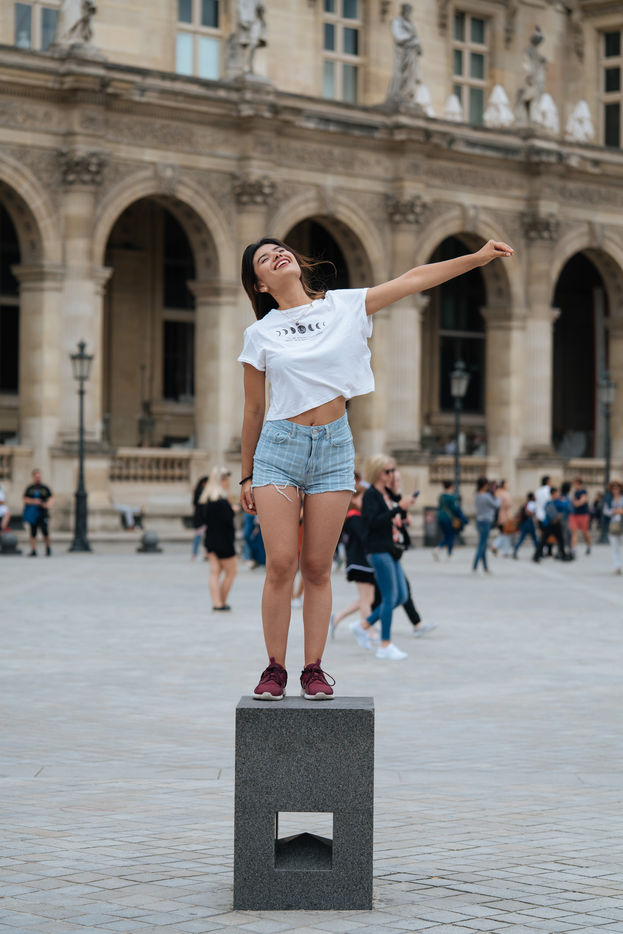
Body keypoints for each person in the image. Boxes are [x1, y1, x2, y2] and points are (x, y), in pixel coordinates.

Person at [238, 234, 513, 699]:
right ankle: (274, 668)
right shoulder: (260, 333)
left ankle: (313, 669)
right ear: (260, 284)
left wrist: (478, 258)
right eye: (264, 259)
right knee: (281, 565)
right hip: (278, 449)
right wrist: (246, 473)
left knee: (318, 567)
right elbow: (252, 410)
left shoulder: (343, 306)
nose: (278, 255)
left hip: (333, 449)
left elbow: (413, 279)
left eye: (280, 249)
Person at [362, 455, 415, 660]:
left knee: (402, 596)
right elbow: (373, 522)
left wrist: (402, 508)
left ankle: (363, 625)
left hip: (391, 549)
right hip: (378, 550)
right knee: (390, 597)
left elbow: (395, 518)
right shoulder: (371, 495)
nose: (391, 475)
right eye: (388, 471)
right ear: (377, 472)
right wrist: (398, 508)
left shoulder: (386, 494)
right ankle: (385, 644)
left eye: (393, 471)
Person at [385, 468, 436, 637]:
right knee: (397, 592)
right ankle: (365, 625)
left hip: (394, 552)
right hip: (382, 552)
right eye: (397, 480)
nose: (399, 484)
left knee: (394, 593)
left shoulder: (396, 499)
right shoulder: (384, 498)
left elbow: (401, 522)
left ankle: (363, 623)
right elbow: (383, 521)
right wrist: (400, 509)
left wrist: (404, 513)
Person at [331, 489, 377, 648]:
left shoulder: (360, 516)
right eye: (364, 498)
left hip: (365, 562)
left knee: (369, 599)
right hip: (358, 562)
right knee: (365, 599)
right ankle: (368, 629)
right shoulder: (354, 517)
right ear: (355, 500)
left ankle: (337, 617)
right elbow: (365, 537)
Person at [199, 466, 238, 611]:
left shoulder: (207, 498)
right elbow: (228, 518)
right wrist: (232, 508)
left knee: (214, 572)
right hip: (224, 541)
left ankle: (217, 602)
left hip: (211, 539)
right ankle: (221, 601)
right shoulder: (221, 500)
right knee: (231, 572)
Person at [533, 485, 570, 562]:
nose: (558, 494)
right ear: (553, 493)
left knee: (549, 540)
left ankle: (537, 555)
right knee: (557, 539)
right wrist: (564, 500)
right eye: (557, 493)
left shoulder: (549, 502)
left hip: (550, 523)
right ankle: (563, 555)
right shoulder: (555, 502)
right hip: (553, 523)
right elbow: (565, 506)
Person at [23, 469, 54, 557]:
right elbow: (25, 499)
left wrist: (47, 505)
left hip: (42, 512)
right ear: (33, 477)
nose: (38, 478)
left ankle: (48, 548)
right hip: (33, 514)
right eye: (36, 476)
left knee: (45, 531)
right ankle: (33, 550)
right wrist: (34, 501)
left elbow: (51, 498)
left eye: (39, 476)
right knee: (33, 532)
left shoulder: (44, 488)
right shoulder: (30, 488)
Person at [473, 477, 499, 573]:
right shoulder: (487, 496)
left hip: (479, 521)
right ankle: (475, 565)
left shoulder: (476, 495)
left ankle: (485, 567)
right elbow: (496, 505)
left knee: (483, 545)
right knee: (482, 544)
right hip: (486, 521)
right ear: (484, 485)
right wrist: (496, 497)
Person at [434, 480, 465, 559]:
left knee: (447, 535)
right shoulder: (451, 497)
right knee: (450, 535)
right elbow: (455, 508)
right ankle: (448, 553)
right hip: (448, 518)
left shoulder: (441, 496)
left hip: (440, 518)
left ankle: (439, 549)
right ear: (451, 486)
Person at [603, 481, 623, 575]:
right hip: (612, 525)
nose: (616, 490)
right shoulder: (608, 499)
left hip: (622, 524)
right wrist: (614, 511)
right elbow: (605, 511)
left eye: (617, 488)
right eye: (614, 488)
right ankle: (617, 566)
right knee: (614, 547)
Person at [491, 479, 514, 557]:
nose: (508, 485)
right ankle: (498, 547)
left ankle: (501, 549)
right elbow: (508, 505)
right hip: (505, 516)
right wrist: (510, 517)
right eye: (507, 484)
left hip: (500, 516)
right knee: (506, 534)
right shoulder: (504, 494)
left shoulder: (497, 493)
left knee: (504, 534)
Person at [570, 475, 591, 556]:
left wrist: (576, 503)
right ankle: (573, 549)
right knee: (574, 532)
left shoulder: (583, 491)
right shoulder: (575, 492)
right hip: (575, 515)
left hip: (583, 515)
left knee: (585, 532)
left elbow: (582, 501)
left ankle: (588, 545)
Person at [513, 492, 538, 558]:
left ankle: (515, 550)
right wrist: (533, 514)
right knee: (534, 538)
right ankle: (538, 552)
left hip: (525, 523)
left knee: (522, 538)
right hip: (529, 522)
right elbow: (528, 513)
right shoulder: (531, 504)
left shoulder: (525, 504)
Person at [191, 475, 209, 560]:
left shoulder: (198, 491)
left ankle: (196, 554)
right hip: (202, 519)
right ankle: (197, 554)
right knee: (201, 537)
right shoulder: (202, 492)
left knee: (200, 537)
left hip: (199, 518)